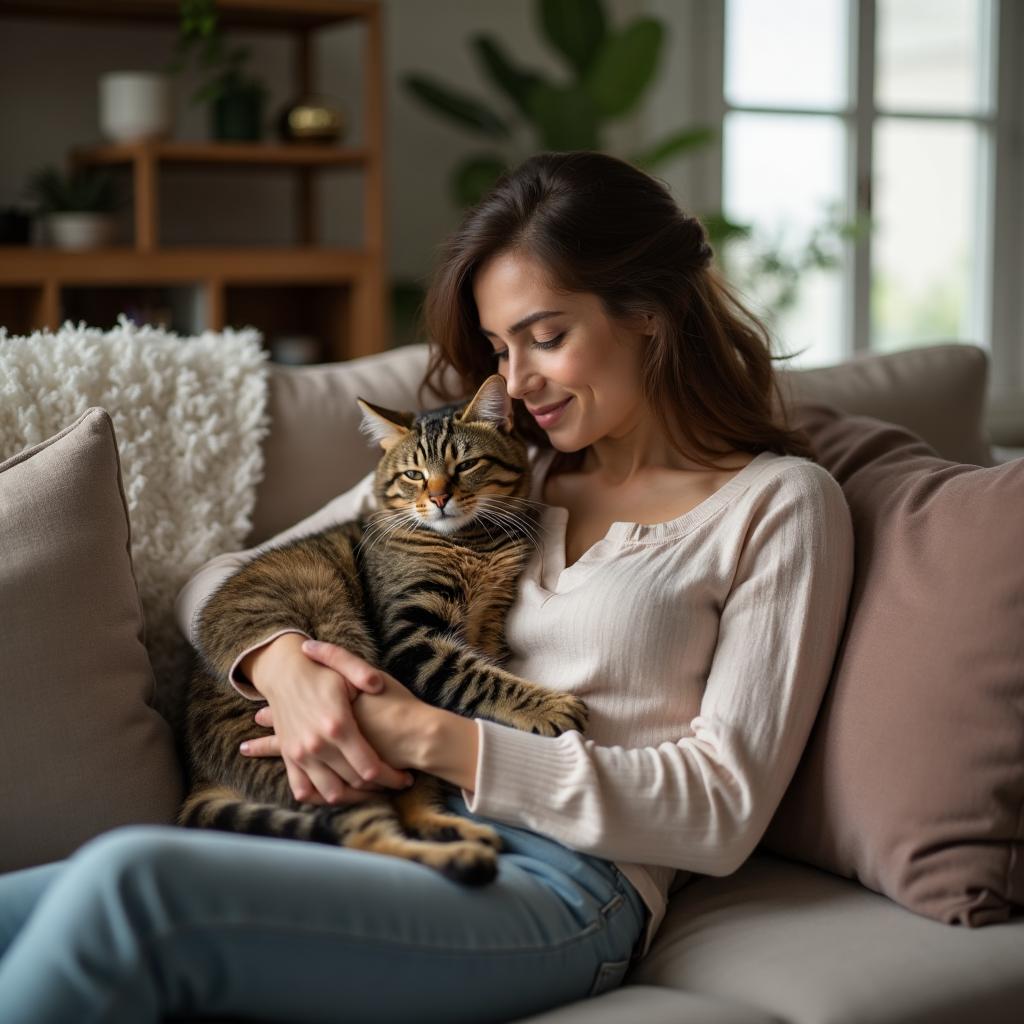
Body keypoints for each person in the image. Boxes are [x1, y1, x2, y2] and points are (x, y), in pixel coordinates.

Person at [0, 150, 854, 1023]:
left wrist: (424, 733)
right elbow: (217, 581)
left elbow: (721, 809)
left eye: (546, 337)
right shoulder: (493, 476)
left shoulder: (777, 505)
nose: (517, 383)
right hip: (374, 828)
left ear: (651, 311)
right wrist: (283, 668)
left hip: (556, 882)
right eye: (498, 347)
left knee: (130, 883)